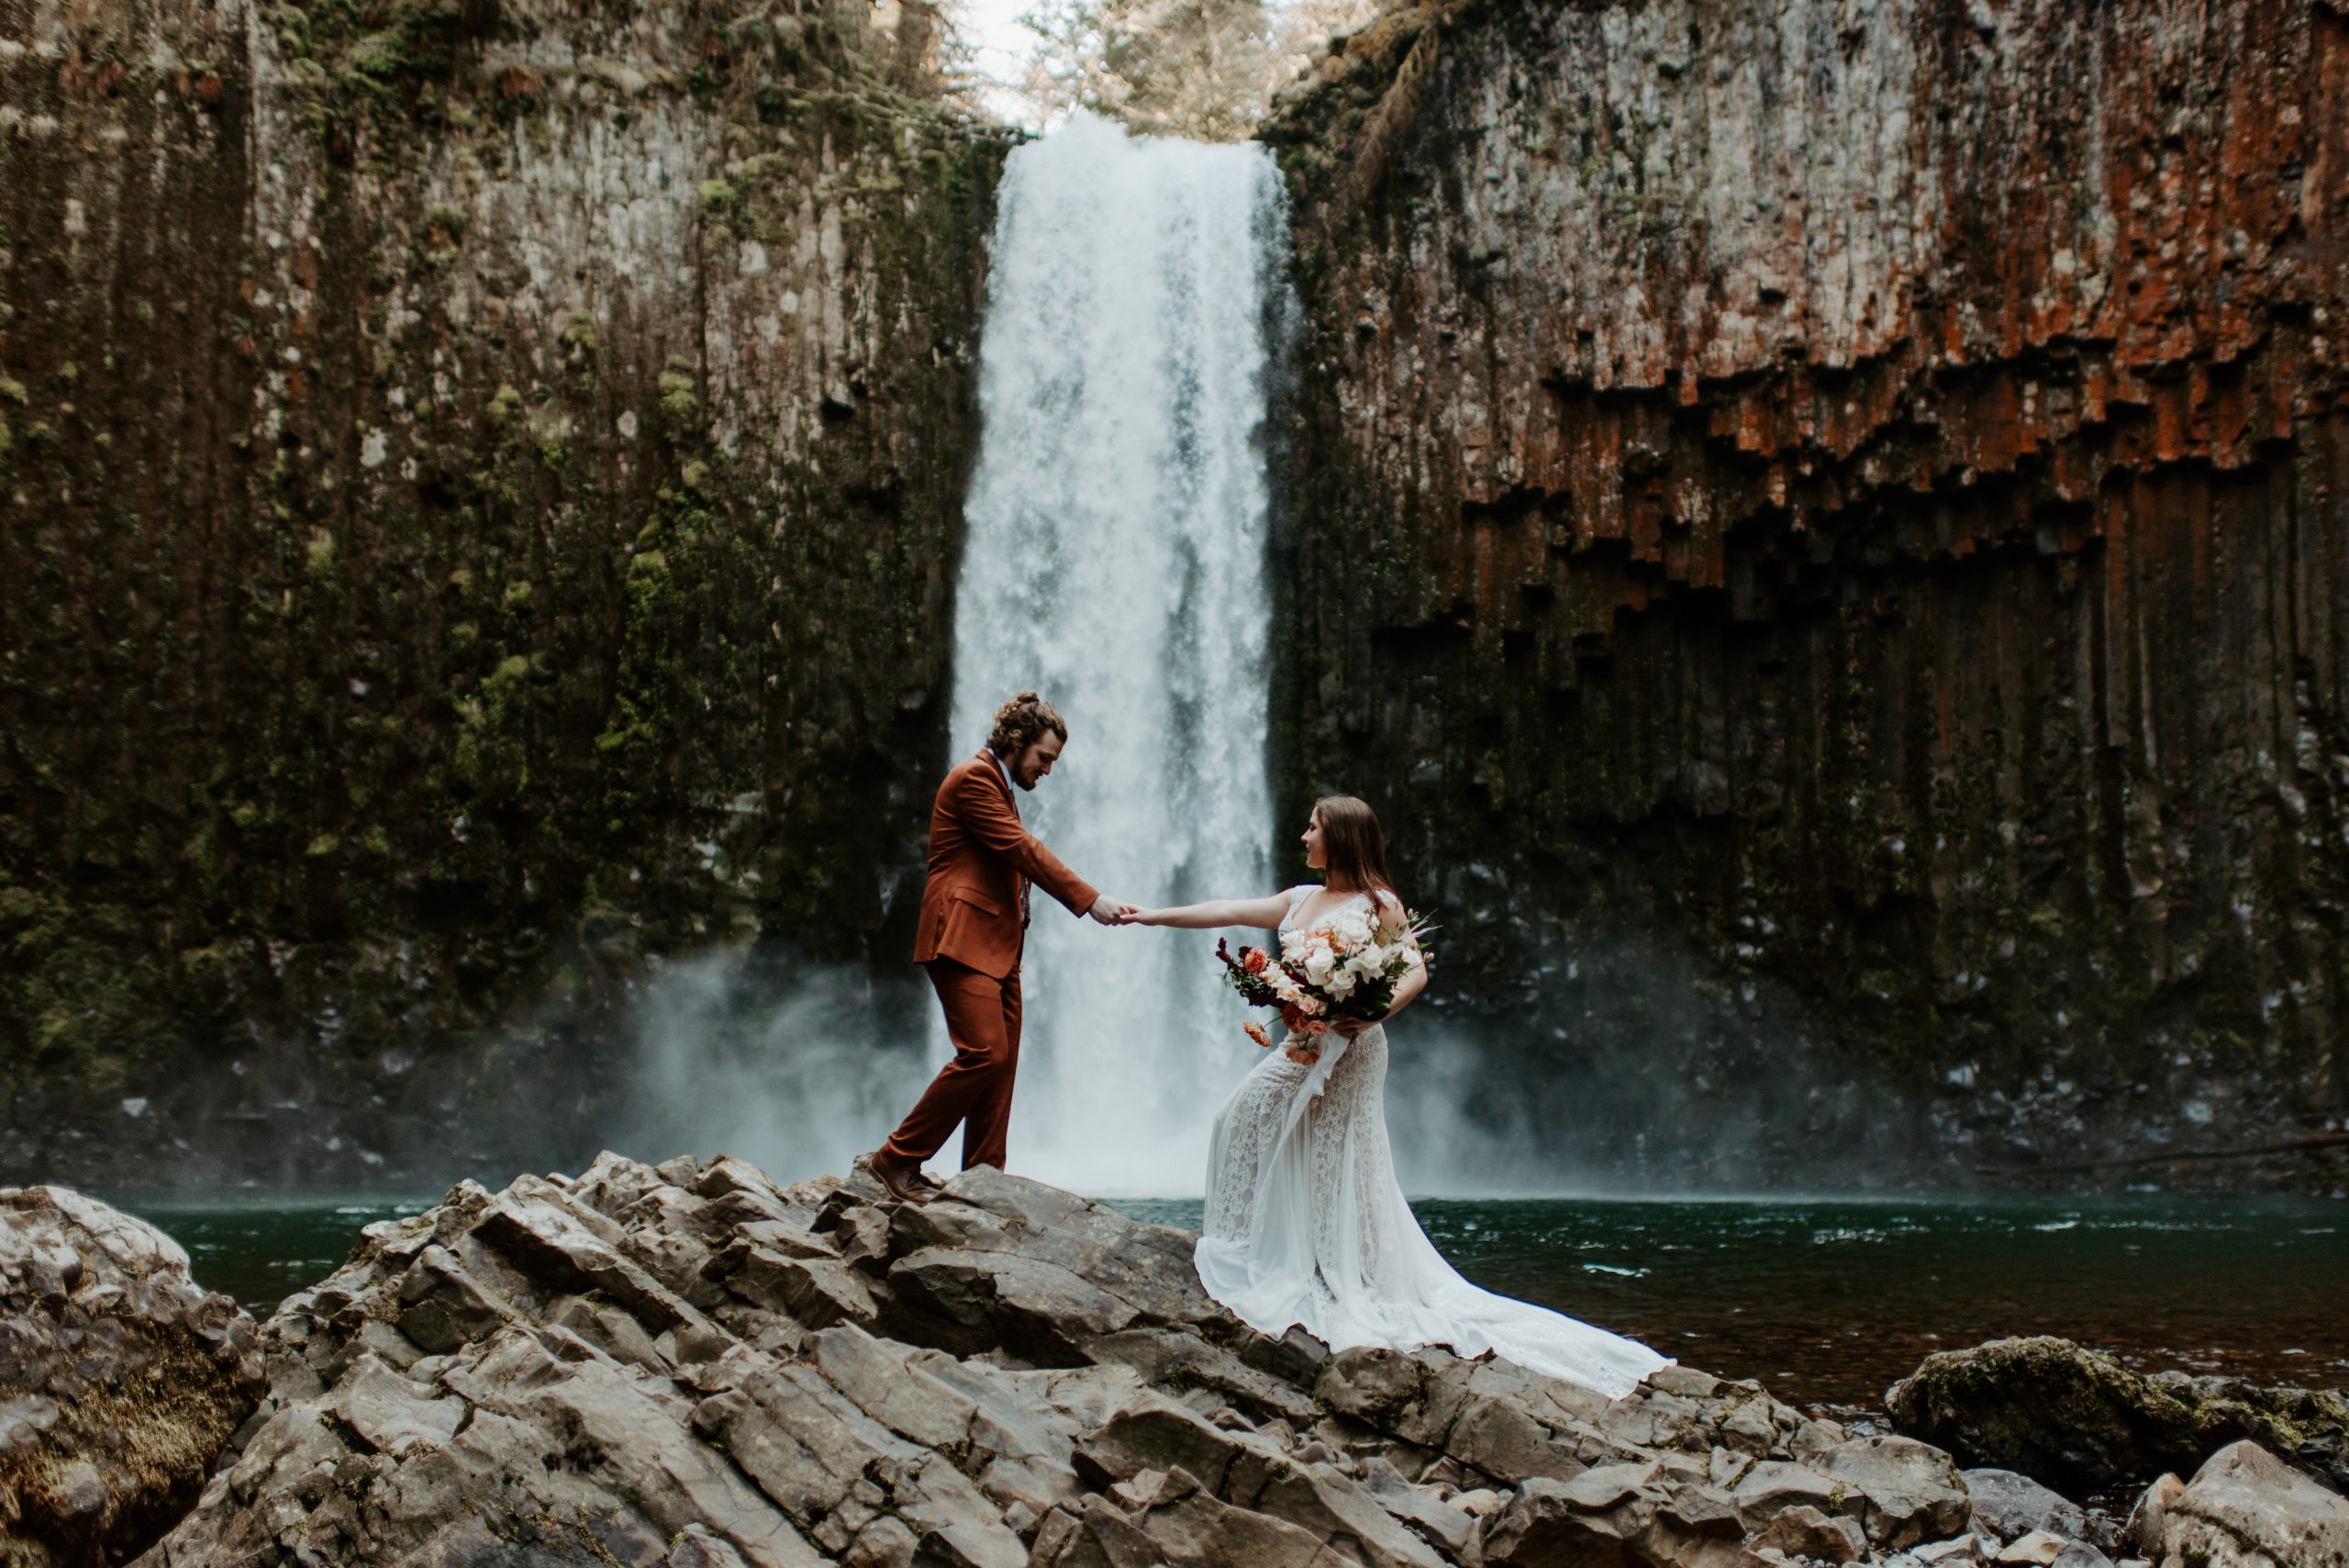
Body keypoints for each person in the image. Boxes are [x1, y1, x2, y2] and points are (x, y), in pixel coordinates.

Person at [1124, 794, 1672, 1397]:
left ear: (1340, 836)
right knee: (1238, 1115)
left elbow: (1414, 969)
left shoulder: (1377, 903)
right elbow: (1225, 908)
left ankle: (1343, 1272)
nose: (1303, 835)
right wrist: (1150, 915)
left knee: (1338, 1155)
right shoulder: (1296, 900)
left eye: (1313, 827)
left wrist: (1370, 1009)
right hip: (1306, 1041)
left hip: (1354, 1047)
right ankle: (1248, 1244)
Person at [864, 692, 1135, 1207]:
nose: (1049, 770)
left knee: (1001, 1066)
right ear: (1016, 742)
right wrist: (1090, 900)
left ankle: (984, 1178)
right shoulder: (974, 779)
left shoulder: (999, 786)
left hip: (997, 947)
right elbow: (1020, 849)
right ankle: (896, 1159)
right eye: (1044, 758)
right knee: (984, 1052)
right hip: (961, 939)